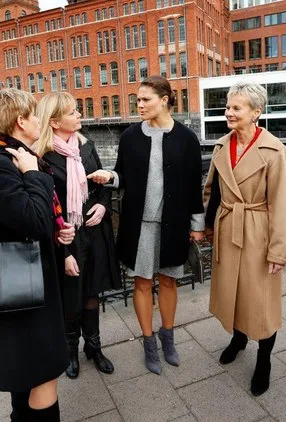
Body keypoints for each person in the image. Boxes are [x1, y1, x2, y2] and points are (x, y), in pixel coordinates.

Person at [88, 76, 205, 375]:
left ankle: (168, 338)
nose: (139, 105)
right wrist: (109, 177)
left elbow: (194, 185)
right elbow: (122, 175)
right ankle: (148, 342)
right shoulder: (130, 136)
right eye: (137, 100)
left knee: (168, 280)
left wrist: (197, 224)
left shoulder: (187, 139)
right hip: (139, 225)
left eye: (145, 100)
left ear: (165, 99)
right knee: (141, 282)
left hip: (174, 223)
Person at [0, 88, 75, 421]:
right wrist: (32, 174)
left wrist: (58, 232)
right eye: (32, 114)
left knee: (25, 372)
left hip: (23, 277)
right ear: (20, 121)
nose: (37, 119)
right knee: (42, 372)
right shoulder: (0, 165)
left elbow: (35, 219)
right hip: (20, 283)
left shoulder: (14, 156)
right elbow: (34, 220)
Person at [203, 81, 286, 397]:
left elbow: (280, 203)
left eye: (236, 108)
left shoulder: (274, 150)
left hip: (258, 233)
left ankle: (264, 359)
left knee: (262, 302)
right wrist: (207, 226)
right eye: (228, 107)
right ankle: (239, 339)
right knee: (234, 293)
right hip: (229, 229)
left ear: (256, 112)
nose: (229, 112)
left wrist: (278, 251)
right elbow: (212, 192)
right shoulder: (221, 146)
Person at [34, 92, 121, 379]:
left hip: (93, 232)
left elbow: (102, 186)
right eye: (73, 112)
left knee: (91, 292)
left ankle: (93, 347)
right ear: (56, 122)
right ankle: (70, 350)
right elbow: (45, 206)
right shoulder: (42, 157)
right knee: (71, 296)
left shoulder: (86, 147)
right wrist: (65, 251)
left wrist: (102, 205)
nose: (79, 115)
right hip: (66, 238)